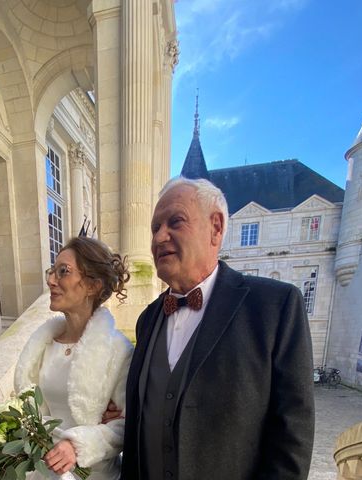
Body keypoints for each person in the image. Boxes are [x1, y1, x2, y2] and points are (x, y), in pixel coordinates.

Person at [120, 177, 315, 480]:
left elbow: (293, 434)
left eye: (175, 221)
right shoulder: (148, 318)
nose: (159, 237)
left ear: (216, 227)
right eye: (155, 227)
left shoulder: (275, 306)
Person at [14, 237, 133, 479]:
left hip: (94, 474)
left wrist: (78, 445)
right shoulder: (43, 346)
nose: (51, 280)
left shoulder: (119, 350)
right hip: (44, 472)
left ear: (92, 285)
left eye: (63, 272)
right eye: (52, 271)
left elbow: (125, 426)